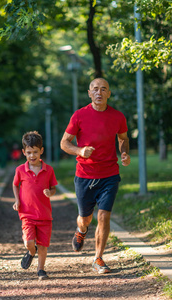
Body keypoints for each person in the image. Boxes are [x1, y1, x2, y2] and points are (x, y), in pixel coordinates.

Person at [60, 78, 131, 274]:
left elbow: (123, 138)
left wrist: (124, 152)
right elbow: (64, 143)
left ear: (109, 93)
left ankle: (98, 258)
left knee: (104, 216)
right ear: (89, 93)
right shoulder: (79, 115)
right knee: (85, 218)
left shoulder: (118, 116)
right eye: (95, 89)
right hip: (85, 175)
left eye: (103, 89)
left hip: (109, 173)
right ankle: (81, 231)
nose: (99, 93)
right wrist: (80, 151)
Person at [12, 131, 58, 280]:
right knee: (28, 242)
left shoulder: (49, 170)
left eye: (35, 152)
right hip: (27, 214)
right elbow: (15, 185)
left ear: (41, 151)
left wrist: (50, 193)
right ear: (24, 152)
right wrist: (17, 200)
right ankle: (31, 252)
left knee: (43, 245)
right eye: (29, 152)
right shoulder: (20, 170)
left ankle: (41, 270)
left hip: (44, 214)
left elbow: (53, 188)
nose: (32, 156)